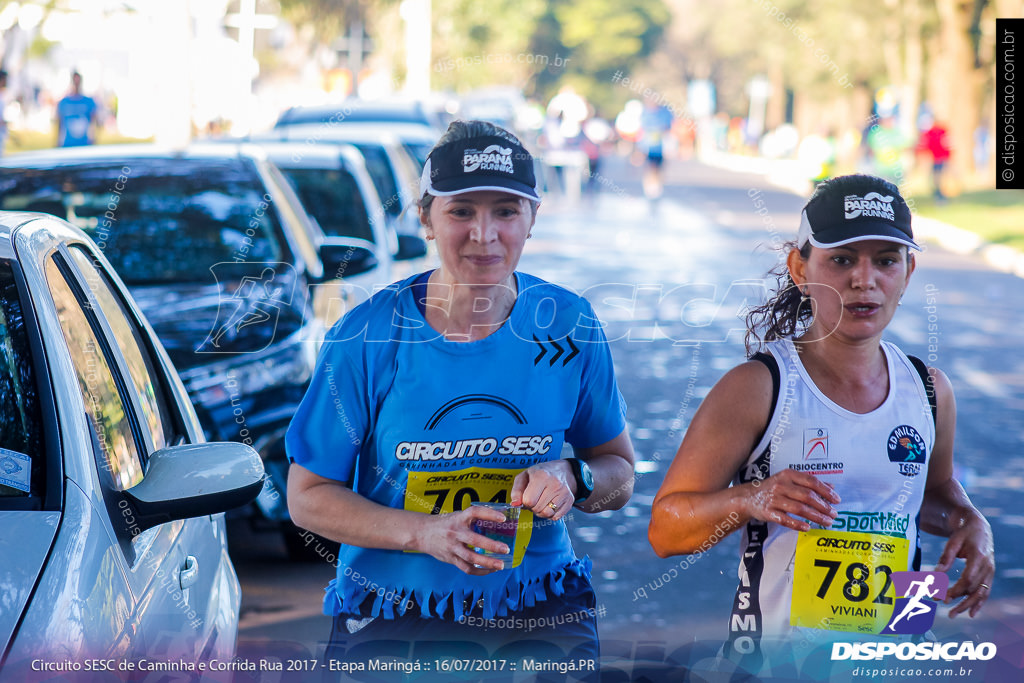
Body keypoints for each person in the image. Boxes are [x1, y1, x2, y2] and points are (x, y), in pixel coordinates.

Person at [286, 120, 635, 677]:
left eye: (505, 210)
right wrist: (425, 534)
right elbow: (307, 495)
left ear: (532, 218)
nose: (484, 234)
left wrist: (573, 477)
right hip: (393, 616)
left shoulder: (569, 323)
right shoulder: (366, 336)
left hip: (538, 607)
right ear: (425, 218)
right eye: (461, 211)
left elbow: (618, 472)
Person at [648, 174, 994, 675]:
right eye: (842, 259)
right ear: (800, 267)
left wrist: (971, 523)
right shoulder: (759, 387)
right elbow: (665, 530)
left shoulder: (928, 389)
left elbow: (933, 492)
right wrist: (750, 498)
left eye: (886, 260)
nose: (864, 280)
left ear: (909, 270)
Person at [56, 71, 98, 147]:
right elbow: (59, 123)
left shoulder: (89, 102)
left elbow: (94, 122)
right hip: (67, 144)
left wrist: (93, 138)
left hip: (84, 144)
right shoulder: (64, 102)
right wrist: (57, 141)